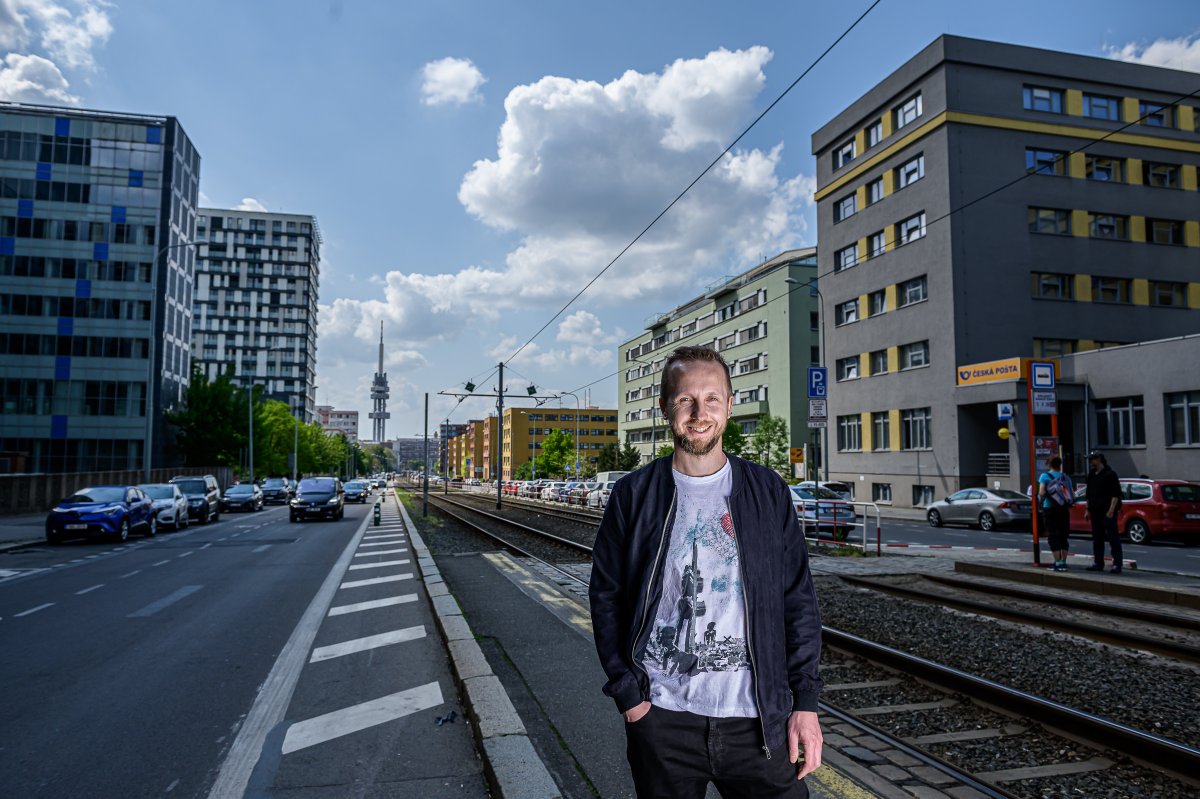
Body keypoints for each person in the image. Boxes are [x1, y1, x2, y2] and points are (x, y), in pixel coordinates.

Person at [589, 345, 823, 798]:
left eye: (712, 399)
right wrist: (630, 699)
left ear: (730, 405)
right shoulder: (634, 494)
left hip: (760, 723)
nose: (699, 413)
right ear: (665, 408)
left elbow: (798, 599)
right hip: (662, 720)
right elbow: (606, 598)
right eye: (685, 400)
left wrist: (806, 704)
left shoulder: (767, 491)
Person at [1084, 451, 1123, 574]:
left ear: (1099, 459)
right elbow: (1088, 494)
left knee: (1113, 538)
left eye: (1092, 460)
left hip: (1107, 512)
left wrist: (1111, 511)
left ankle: (1117, 564)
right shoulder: (1091, 475)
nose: (1090, 462)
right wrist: (1087, 510)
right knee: (1097, 538)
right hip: (1095, 511)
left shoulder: (1110, 474)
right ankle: (1098, 562)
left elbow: (1115, 494)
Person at [1037, 456, 1074, 571]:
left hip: (1050, 508)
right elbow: (1072, 494)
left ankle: (1057, 562)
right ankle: (1063, 562)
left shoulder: (1045, 476)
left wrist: (1041, 499)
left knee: (1053, 535)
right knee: (1063, 535)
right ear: (1060, 465)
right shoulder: (1066, 477)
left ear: (1049, 464)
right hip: (1063, 509)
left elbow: (1042, 492)